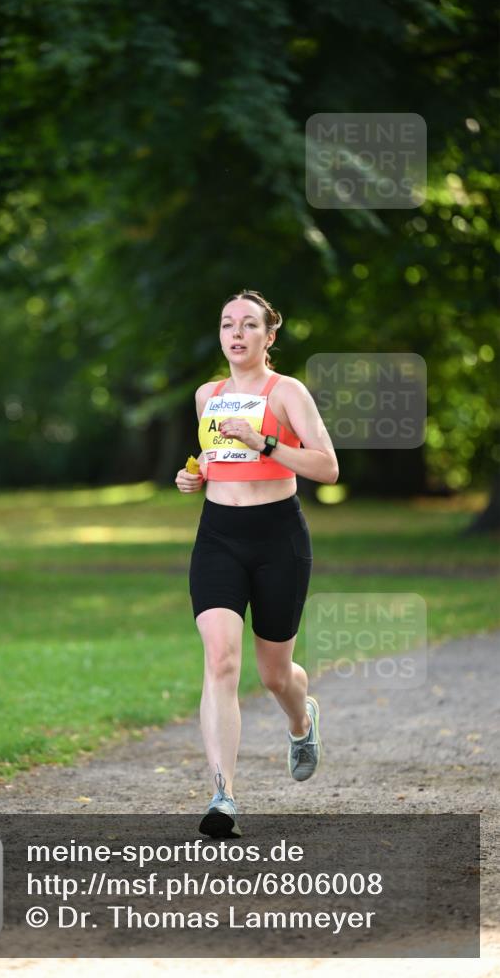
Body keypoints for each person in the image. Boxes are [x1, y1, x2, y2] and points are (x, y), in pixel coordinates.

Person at [174, 289, 339, 838]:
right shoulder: (207, 395)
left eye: (248, 325)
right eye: (228, 324)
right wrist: (194, 475)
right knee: (221, 659)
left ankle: (301, 718)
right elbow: (215, 458)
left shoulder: (286, 391)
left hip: (278, 539)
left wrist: (264, 441)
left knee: (274, 674)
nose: (236, 334)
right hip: (218, 536)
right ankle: (222, 797)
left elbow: (327, 467)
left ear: (269, 336)